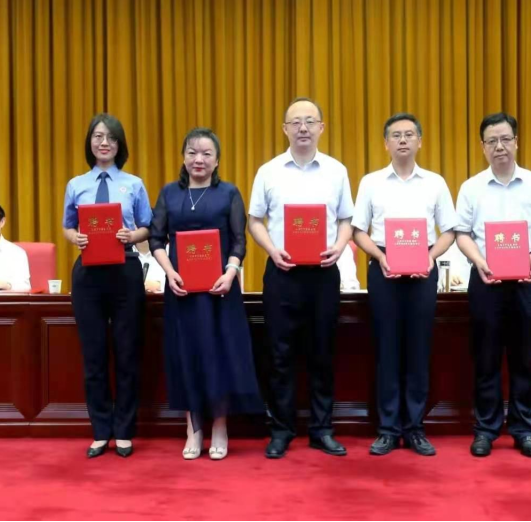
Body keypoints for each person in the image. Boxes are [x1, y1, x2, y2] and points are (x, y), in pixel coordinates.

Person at [249, 97, 354, 459]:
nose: (303, 128)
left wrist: (339, 246)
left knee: (322, 352)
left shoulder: (336, 171)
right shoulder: (269, 171)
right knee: (280, 354)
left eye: (310, 121)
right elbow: (254, 221)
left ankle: (322, 429)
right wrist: (272, 250)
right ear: (285, 129)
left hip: (323, 274)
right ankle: (281, 430)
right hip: (283, 273)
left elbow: (346, 219)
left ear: (322, 128)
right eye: (296, 122)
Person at [150, 127, 264, 461]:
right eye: (192, 153)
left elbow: (239, 241)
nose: (198, 159)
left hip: (220, 292)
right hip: (182, 290)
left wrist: (230, 273)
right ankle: (193, 428)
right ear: (183, 157)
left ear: (217, 161)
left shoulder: (228, 193)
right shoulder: (170, 193)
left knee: (220, 355)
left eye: (206, 154)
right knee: (187, 355)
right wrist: (169, 272)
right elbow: (156, 239)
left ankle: (220, 427)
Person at [455, 112, 531, 458]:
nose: (499, 146)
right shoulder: (471, 187)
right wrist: (478, 260)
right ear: (483, 147)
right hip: (486, 281)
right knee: (485, 357)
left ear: (516, 142)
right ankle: (485, 430)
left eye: (505, 139)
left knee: (523, 358)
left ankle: (523, 429)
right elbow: (462, 233)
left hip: (526, 280)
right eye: (492, 141)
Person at [352, 113, 457, 457]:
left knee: (418, 348)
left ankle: (414, 428)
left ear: (419, 141)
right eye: (395, 135)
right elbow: (358, 231)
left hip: (422, 270)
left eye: (409, 134)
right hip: (383, 269)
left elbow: (449, 230)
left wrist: (430, 257)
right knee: (386, 348)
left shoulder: (435, 183)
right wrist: (379, 256)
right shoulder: (371, 182)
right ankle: (387, 429)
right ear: (385, 143)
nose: (402, 140)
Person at [62, 113, 152, 459]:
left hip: (125, 270)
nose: (104, 142)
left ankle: (124, 430)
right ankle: (101, 430)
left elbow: (148, 226)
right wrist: (75, 237)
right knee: (94, 355)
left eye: (111, 137)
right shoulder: (76, 184)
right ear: (90, 142)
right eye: (98, 136)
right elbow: (68, 226)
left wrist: (133, 235)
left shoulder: (134, 183)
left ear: (119, 144)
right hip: (88, 274)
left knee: (127, 353)